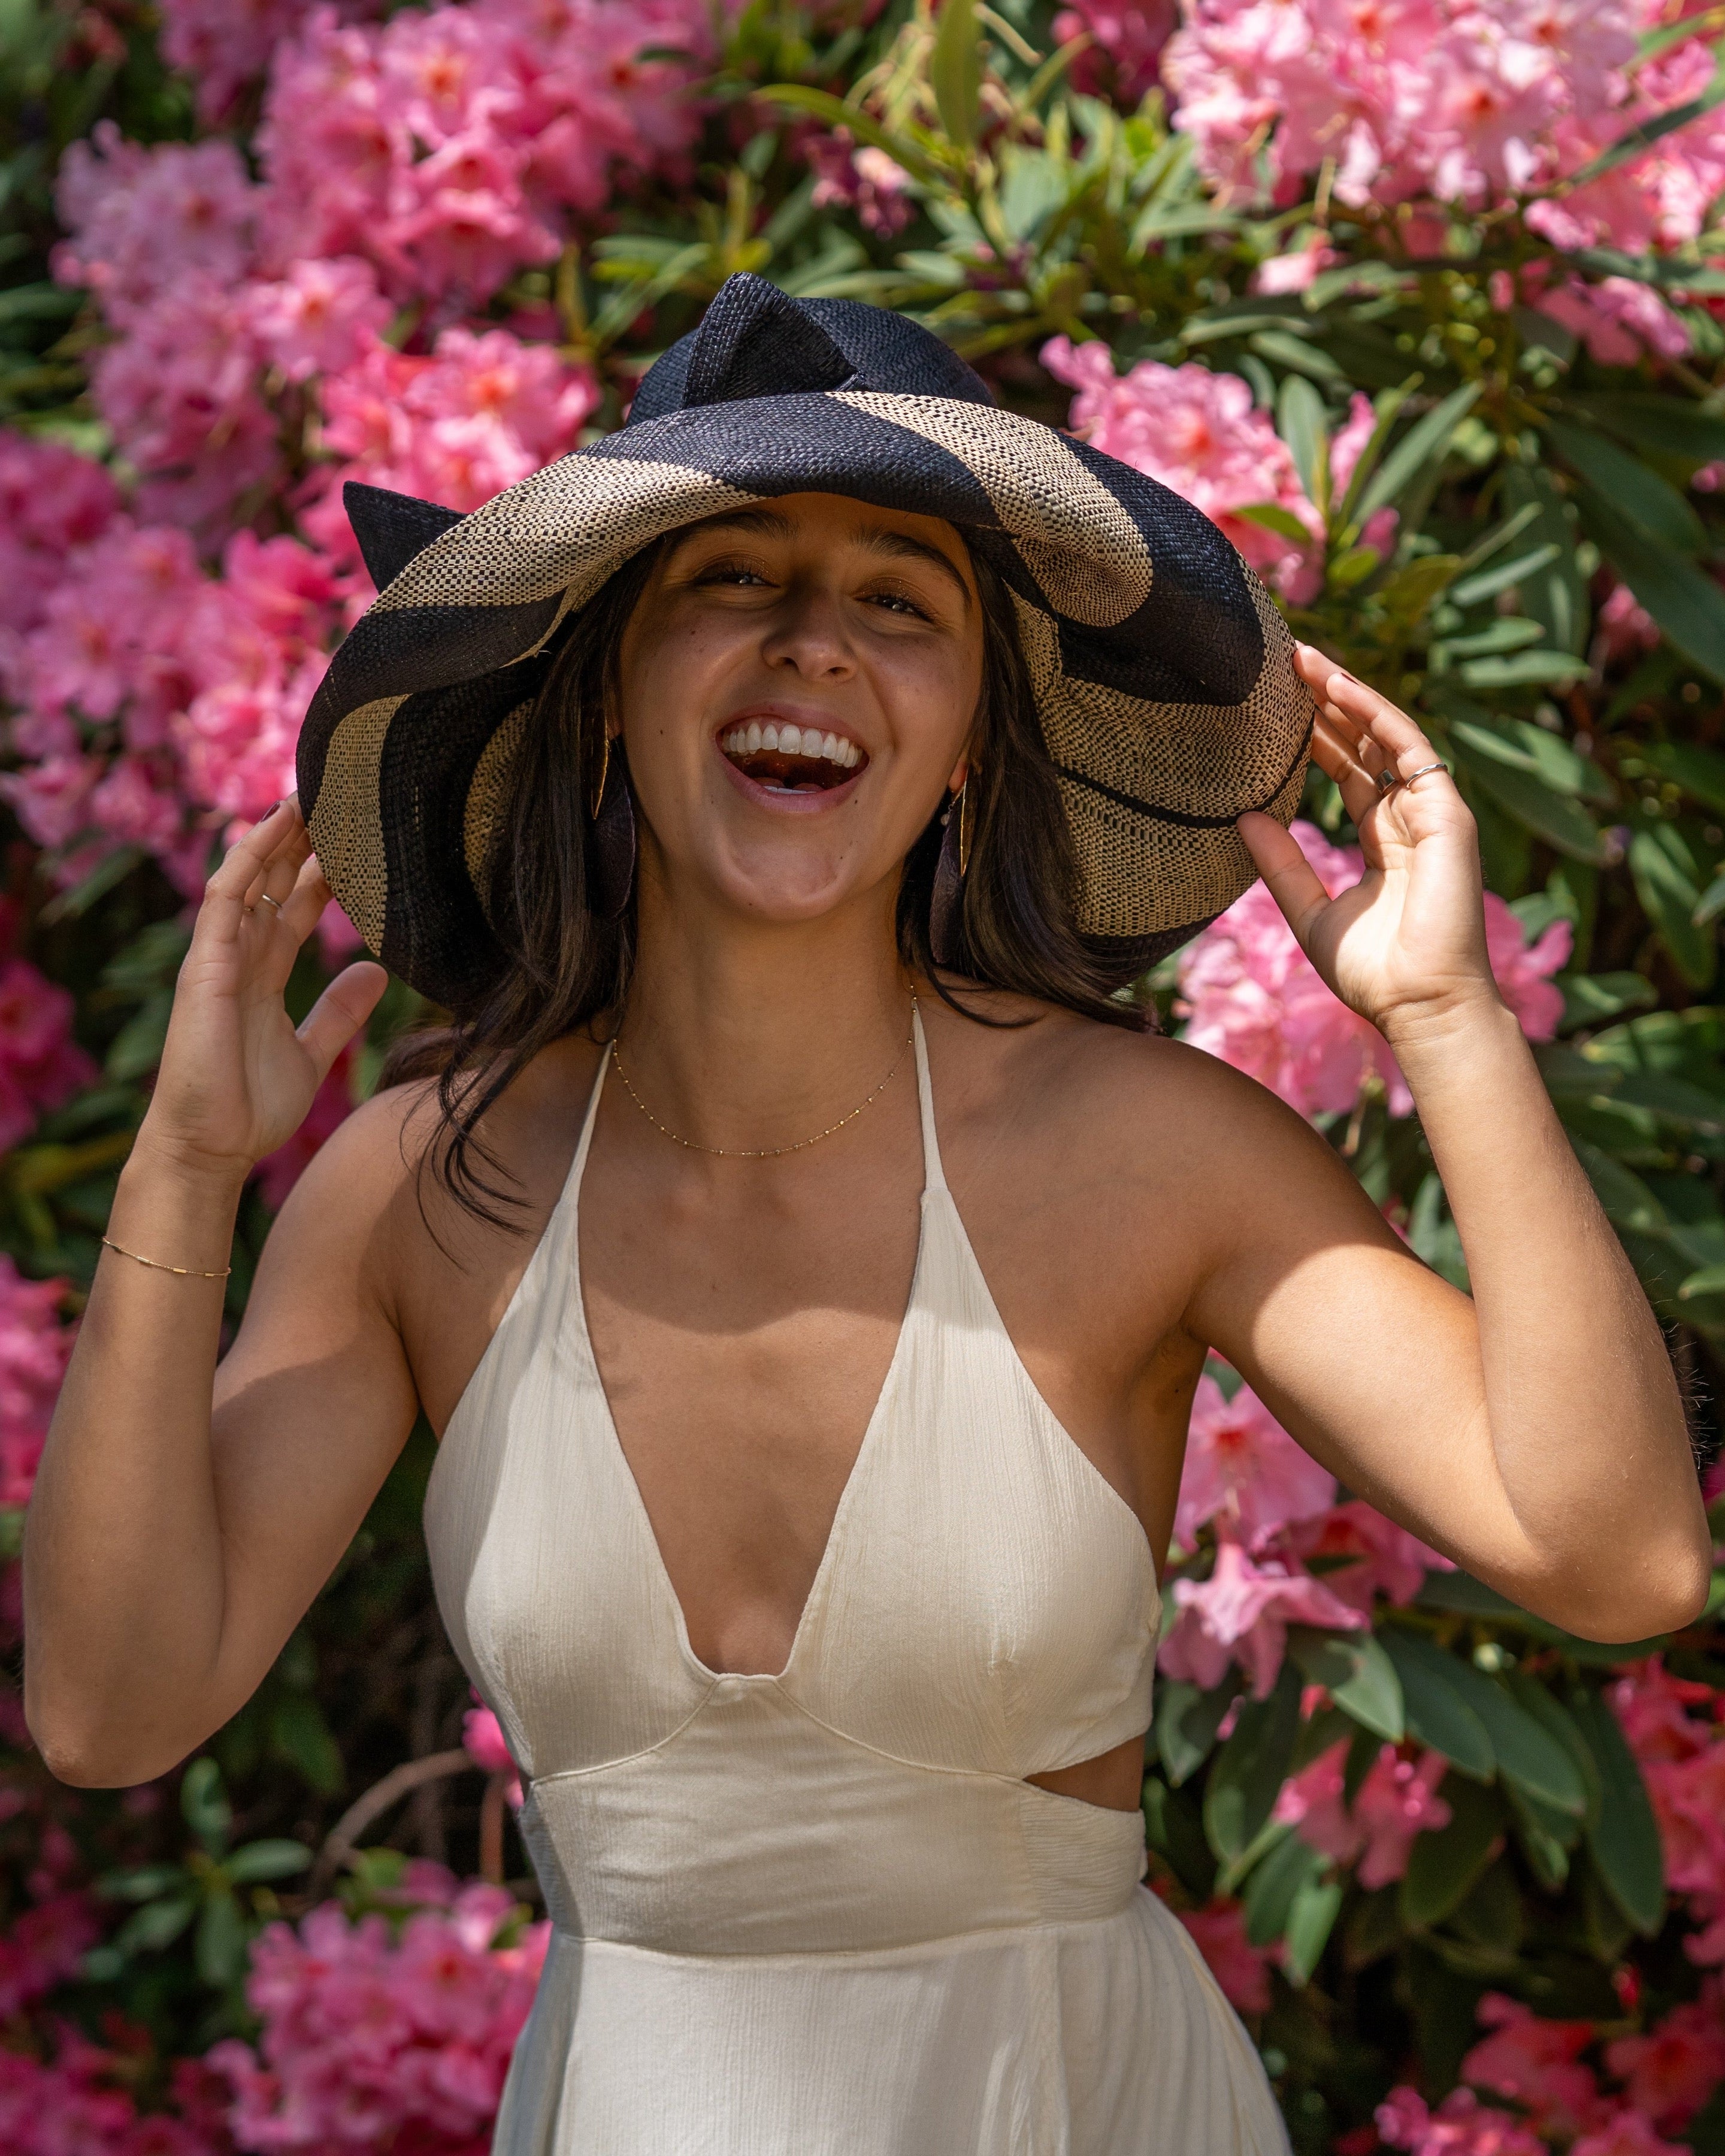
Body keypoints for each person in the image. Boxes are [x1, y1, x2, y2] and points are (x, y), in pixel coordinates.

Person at [23, 275, 1710, 2156]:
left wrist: (1449, 1025)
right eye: (729, 580)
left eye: (901, 601)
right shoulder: (424, 1186)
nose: (813, 644)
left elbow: (1618, 1559)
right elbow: (111, 1709)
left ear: (977, 737)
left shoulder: (1149, 1155)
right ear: (602, 703)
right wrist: (181, 1165)